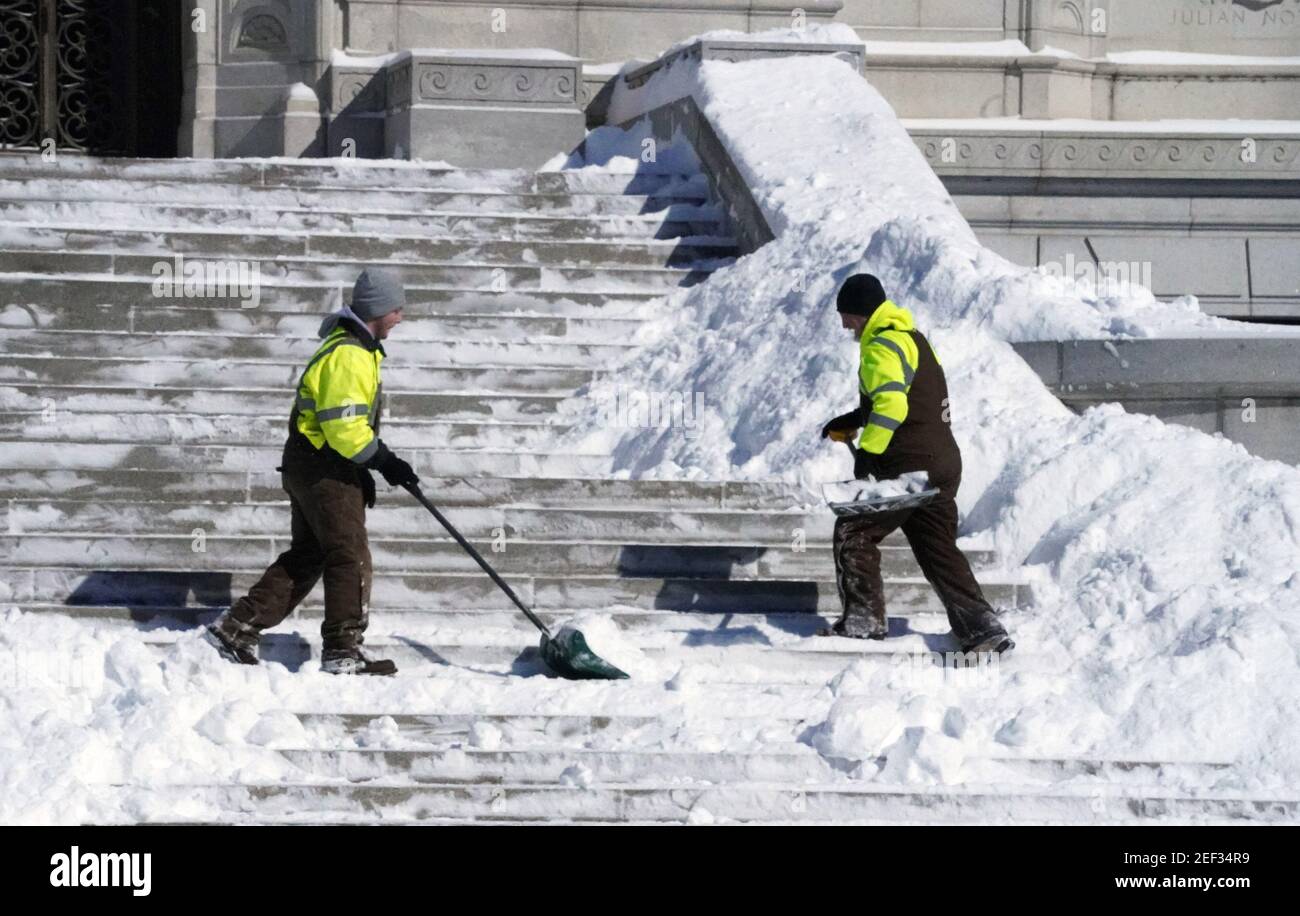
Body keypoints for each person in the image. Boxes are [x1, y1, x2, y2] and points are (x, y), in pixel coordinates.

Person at [204, 266, 421, 675]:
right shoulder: (350, 354)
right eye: (397, 308)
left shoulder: (352, 347)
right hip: (324, 468)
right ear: (378, 309)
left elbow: (340, 425)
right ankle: (342, 649)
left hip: (313, 463)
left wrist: (365, 470)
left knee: (311, 553)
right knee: (349, 556)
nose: (400, 317)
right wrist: (382, 460)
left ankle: (236, 627)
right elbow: (343, 427)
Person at [819, 273, 1013, 655]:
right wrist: (855, 420)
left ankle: (863, 623)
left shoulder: (879, 346)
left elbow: (893, 405)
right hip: (941, 462)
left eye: (847, 316)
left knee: (853, 531)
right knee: (937, 548)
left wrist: (870, 453)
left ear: (862, 312)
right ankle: (982, 628)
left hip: (910, 468)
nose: (844, 325)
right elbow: (904, 397)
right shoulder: (913, 340)